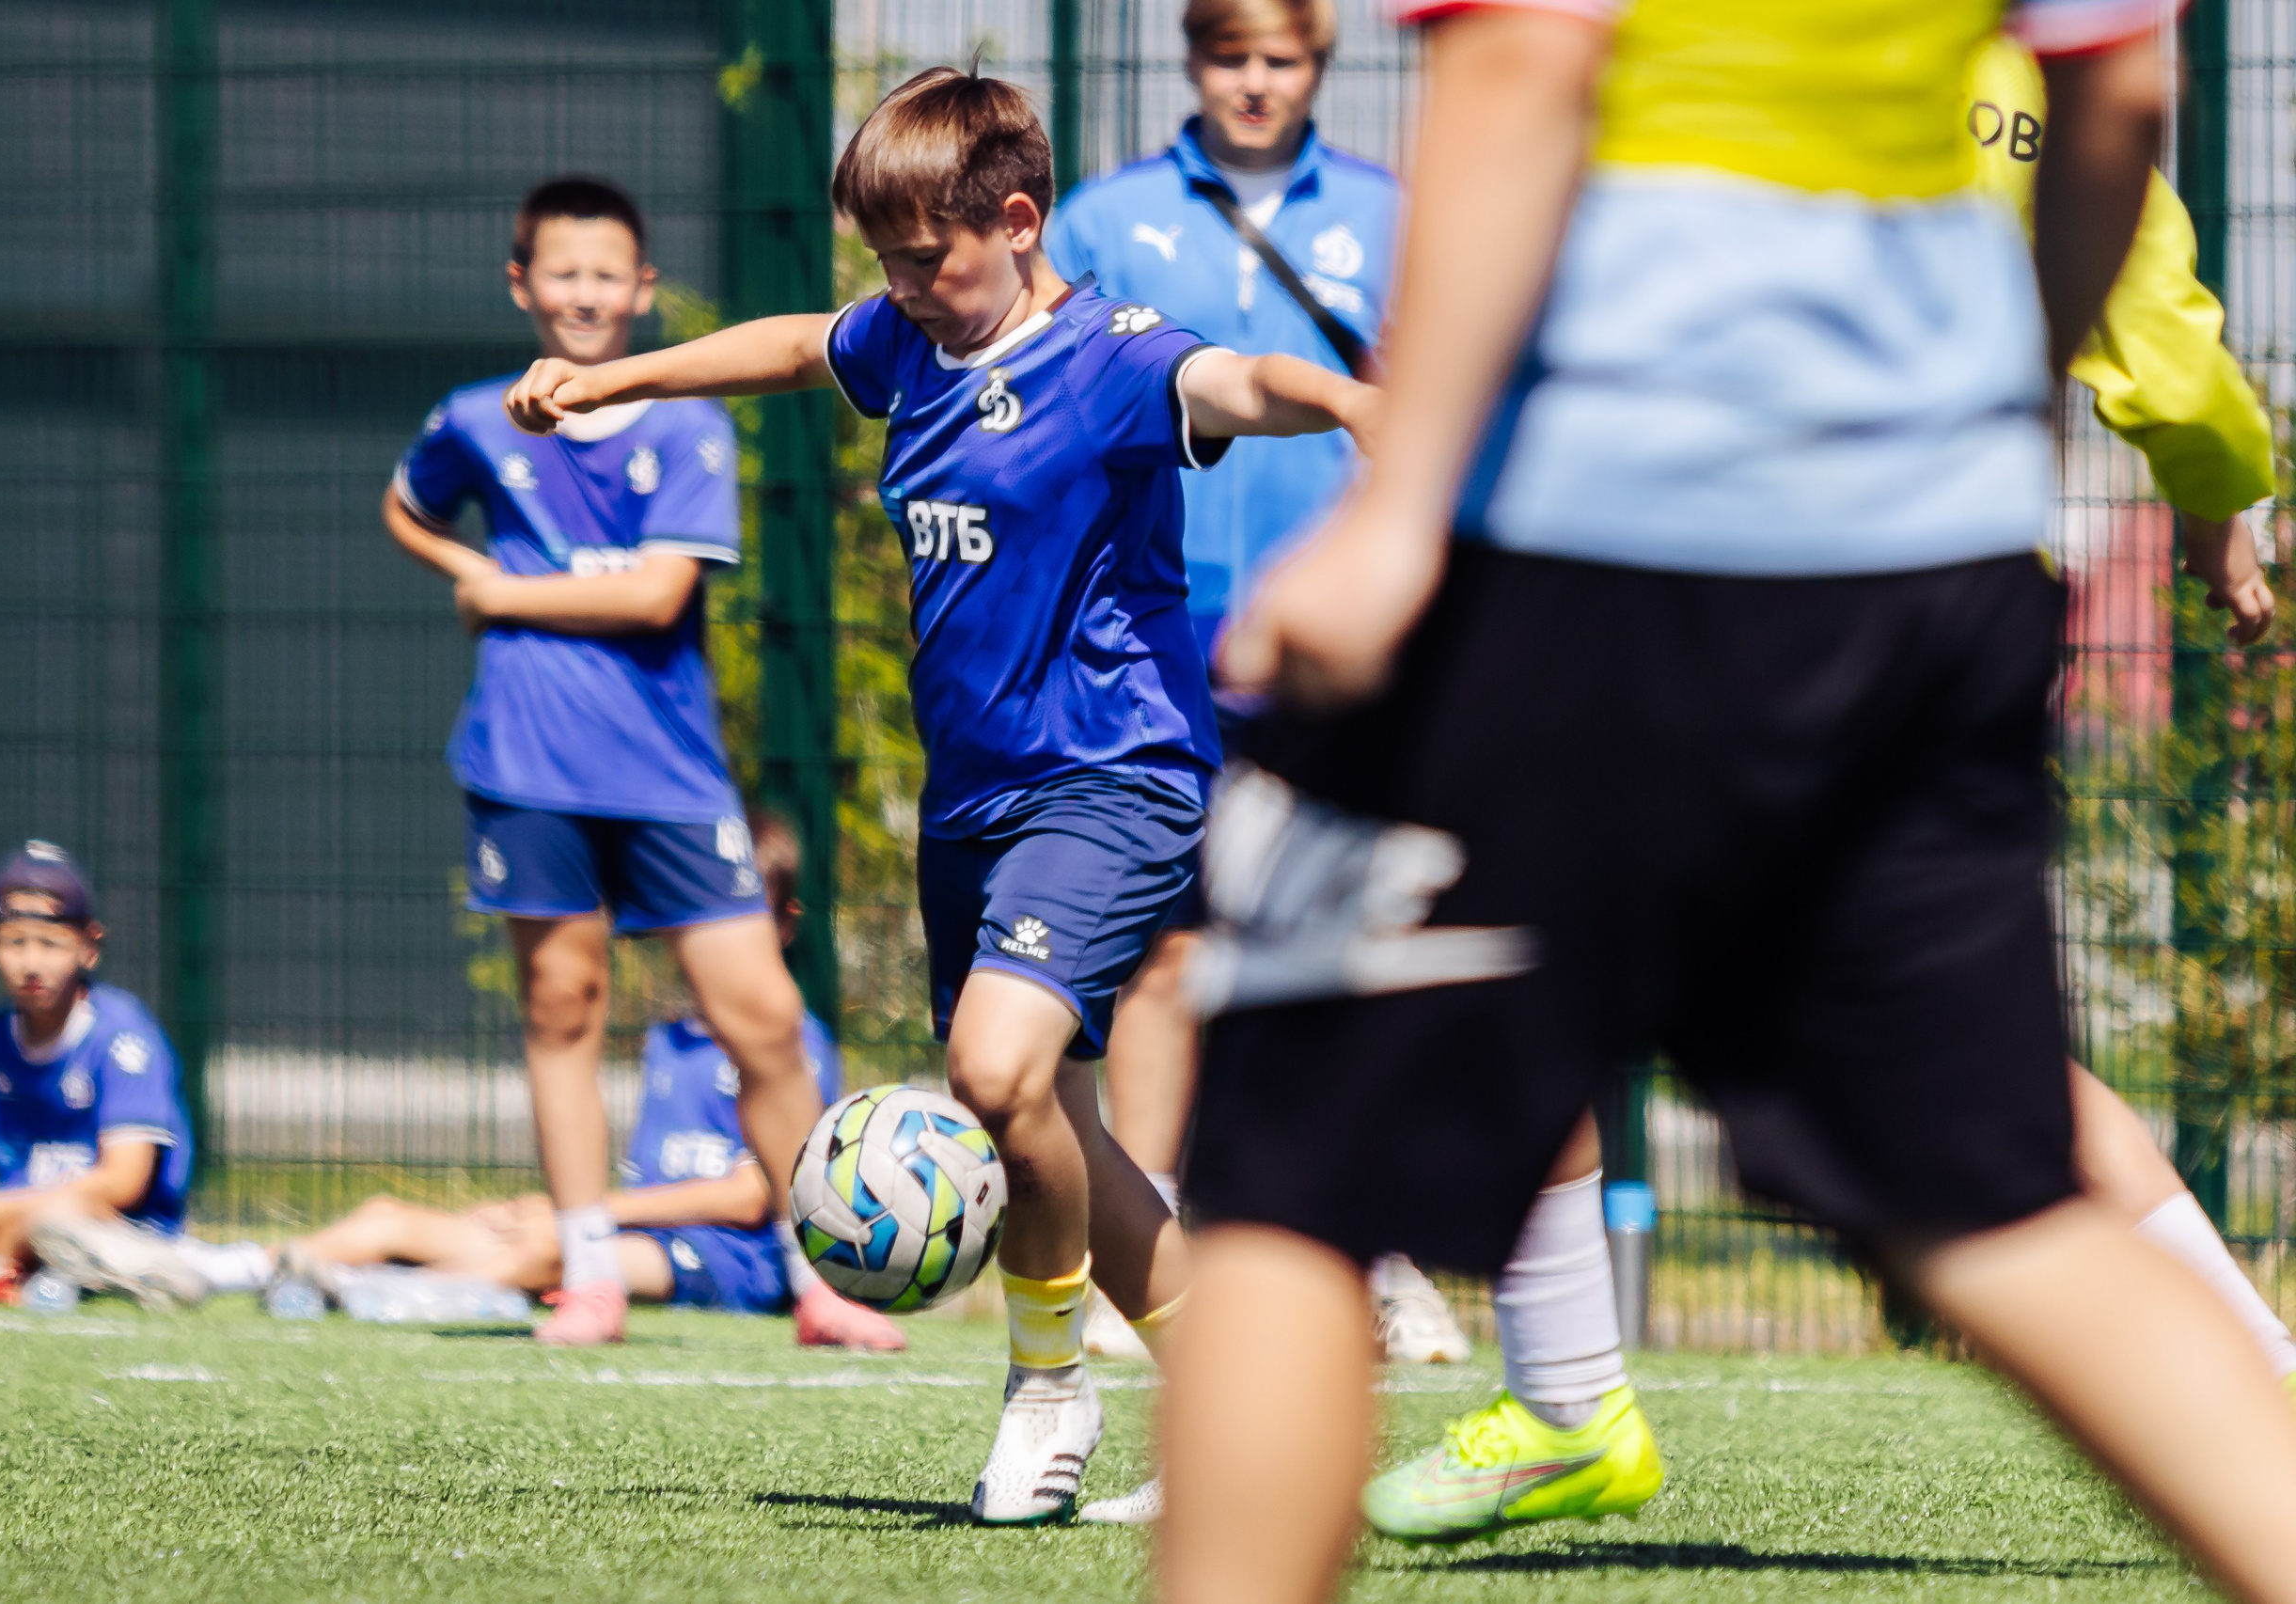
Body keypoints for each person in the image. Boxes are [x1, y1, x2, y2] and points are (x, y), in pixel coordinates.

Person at [1162, 0, 2296, 1599]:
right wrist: (1980, 420)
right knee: (2004, 1211)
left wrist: (1399, 506)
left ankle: (1560, 1401)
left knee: (1286, 1197)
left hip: (1583, 530)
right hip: (1927, 561)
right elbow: (2115, 91)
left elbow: (1525, 56)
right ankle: (1570, 1398)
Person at [500, 66, 1376, 1525]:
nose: (902, 289)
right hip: (972, 801)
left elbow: (1235, 384)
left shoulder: (1109, 358)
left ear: (1018, 222)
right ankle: (1249, 1411)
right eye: (887, 263)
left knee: (994, 1069)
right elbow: (798, 344)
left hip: (1115, 775)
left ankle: (1047, 1388)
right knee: (1050, 1123)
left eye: (926, 259)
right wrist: (614, 379)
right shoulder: (910, 340)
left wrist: (1347, 396)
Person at [380, 174, 897, 1351]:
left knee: (763, 1017)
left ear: (642, 288)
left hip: (670, 774)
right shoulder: (473, 418)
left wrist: (504, 591)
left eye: (607, 275)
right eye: (562, 273)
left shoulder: (685, 424)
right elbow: (408, 509)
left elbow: (660, 593)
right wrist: (465, 569)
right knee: (562, 1007)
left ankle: (820, 1276)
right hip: (524, 761)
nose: (584, 295)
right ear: (521, 284)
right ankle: (589, 1274)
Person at [1045, 0, 1467, 1372]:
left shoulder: (1391, 215)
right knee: (1165, 952)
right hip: (1156, 643)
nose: (1254, 82)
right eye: (1231, 57)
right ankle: (1148, 1250)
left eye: (1280, 59)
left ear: (1317, 67)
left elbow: (1442, 398)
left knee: (1349, 952)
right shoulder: (1106, 220)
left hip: (1341, 640)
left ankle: (1380, 1254)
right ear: (1194, 61)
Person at [273, 814, 841, 1318]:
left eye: (742, 918)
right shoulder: (668, 1038)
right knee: (389, 1219)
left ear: (785, 925)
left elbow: (752, 1195)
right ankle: (248, 1266)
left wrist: (589, 1213)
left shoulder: (793, 1046)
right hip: (631, 1227)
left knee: (548, 1252)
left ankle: (360, 1292)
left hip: (725, 1258)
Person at [0, 842, 212, 1312]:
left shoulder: (122, 1036)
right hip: (8, 1220)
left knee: (50, 1220)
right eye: (14, 942)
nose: (31, 964)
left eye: (50, 943)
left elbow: (124, 1181)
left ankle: (12, 1271)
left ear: (89, 946)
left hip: (108, 1224)